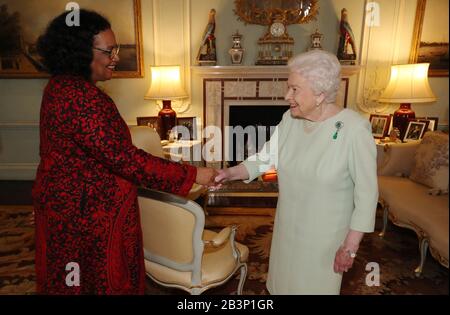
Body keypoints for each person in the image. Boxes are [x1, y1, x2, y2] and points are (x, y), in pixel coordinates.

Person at [32, 9, 216, 295]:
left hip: (68, 205)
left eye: (115, 49)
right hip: (86, 214)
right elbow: (125, 159)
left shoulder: (60, 87)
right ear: (81, 52)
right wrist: (195, 173)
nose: (115, 57)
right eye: (108, 51)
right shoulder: (81, 98)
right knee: (99, 279)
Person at [214, 50, 378, 294]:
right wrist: (229, 174)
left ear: (320, 94)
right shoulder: (290, 120)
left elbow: (367, 195)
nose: (286, 96)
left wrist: (350, 247)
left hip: (324, 241)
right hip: (286, 232)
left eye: (294, 89)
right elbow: (264, 159)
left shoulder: (354, 130)